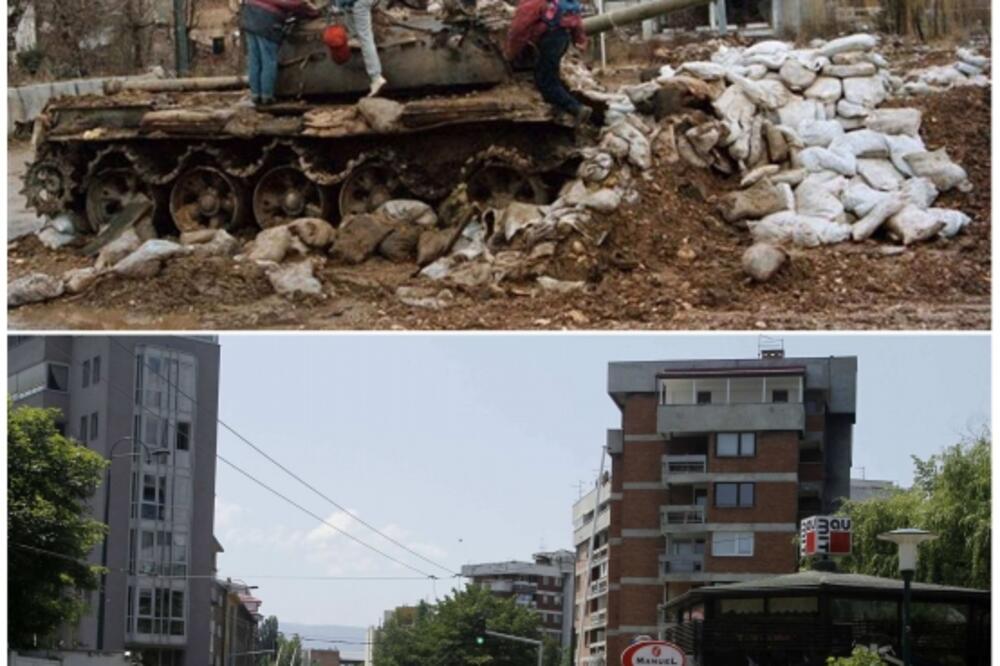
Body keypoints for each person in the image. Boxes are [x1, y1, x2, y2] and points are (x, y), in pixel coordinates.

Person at [505, 0, 591, 125]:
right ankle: (560, 107)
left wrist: (511, 54)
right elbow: (577, 23)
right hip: (562, 38)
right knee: (552, 75)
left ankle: (576, 109)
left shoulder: (532, 3)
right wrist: (580, 39)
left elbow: (519, 29)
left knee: (545, 81)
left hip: (549, 40)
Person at [240, 0, 320, 106]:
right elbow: (293, 4)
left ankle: (255, 95)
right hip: (266, 21)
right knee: (268, 59)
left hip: (250, 16)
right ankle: (267, 96)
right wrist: (311, 10)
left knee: (254, 59)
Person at [337, 0, 387, 97]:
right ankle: (355, 37)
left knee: (366, 38)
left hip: (360, 3)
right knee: (347, 9)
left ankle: (376, 77)